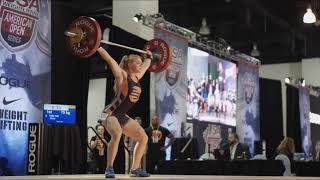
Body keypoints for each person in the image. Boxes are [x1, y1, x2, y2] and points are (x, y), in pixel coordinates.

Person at [97, 47, 152, 178]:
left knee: (143, 137)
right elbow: (109, 59)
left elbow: (145, 65)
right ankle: (109, 168)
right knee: (117, 134)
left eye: (140, 62)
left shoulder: (137, 76)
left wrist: (149, 56)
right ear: (129, 64)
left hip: (121, 116)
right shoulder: (122, 75)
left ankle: (135, 168)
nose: (140, 65)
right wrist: (97, 47)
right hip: (109, 113)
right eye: (137, 63)